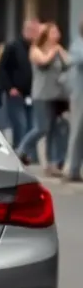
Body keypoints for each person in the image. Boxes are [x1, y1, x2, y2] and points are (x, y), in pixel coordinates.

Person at [17, 21, 68, 173]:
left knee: (56, 129)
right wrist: (54, 52)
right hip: (41, 95)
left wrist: (60, 51)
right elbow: (43, 61)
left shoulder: (59, 50)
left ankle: (53, 162)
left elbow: (69, 63)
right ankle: (21, 150)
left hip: (57, 96)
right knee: (41, 128)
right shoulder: (35, 50)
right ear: (46, 35)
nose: (57, 35)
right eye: (54, 32)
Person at [0, 19, 38, 148]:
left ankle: (27, 154)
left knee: (32, 125)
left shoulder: (36, 49)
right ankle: (20, 152)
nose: (34, 34)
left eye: (35, 31)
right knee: (21, 124)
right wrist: (9, 88)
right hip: (16, 93)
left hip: (32, 93)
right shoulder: (13, 47)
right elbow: (2, 68)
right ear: (24, 30)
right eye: (31, 30)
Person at [65, 20, 83, 181]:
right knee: (77, 131)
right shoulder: (78, 45)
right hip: (79, 95)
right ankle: (73, 169)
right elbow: (76, 60)